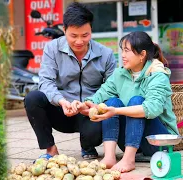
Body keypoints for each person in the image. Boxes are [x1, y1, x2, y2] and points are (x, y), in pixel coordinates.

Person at [72, 31, 179, 172]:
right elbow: (101, 95)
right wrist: (84, 104)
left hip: (158, 143)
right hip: (131, 141)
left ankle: (128, 160)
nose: (122, 55)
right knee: (112, 102)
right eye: (122, 50)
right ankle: (109, 157)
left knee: (136, 101)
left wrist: (115, 112)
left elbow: (152, 109)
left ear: (142, 55)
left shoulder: (157, 75)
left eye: (127, 51)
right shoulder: (120, 74)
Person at [24, 2, 117, 160]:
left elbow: (113, 87)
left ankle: (88, 145)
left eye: (85, 35)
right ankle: (51, 150)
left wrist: (91, 103)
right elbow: (45, 81)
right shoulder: (52, 49)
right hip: (62, 111)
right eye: (73, 36)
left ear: (91, 31)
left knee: (95, 132)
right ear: (64, 30)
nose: (79, 41)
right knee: (32, 98)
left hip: (90, 112)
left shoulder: (106, 54)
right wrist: (61, 101)